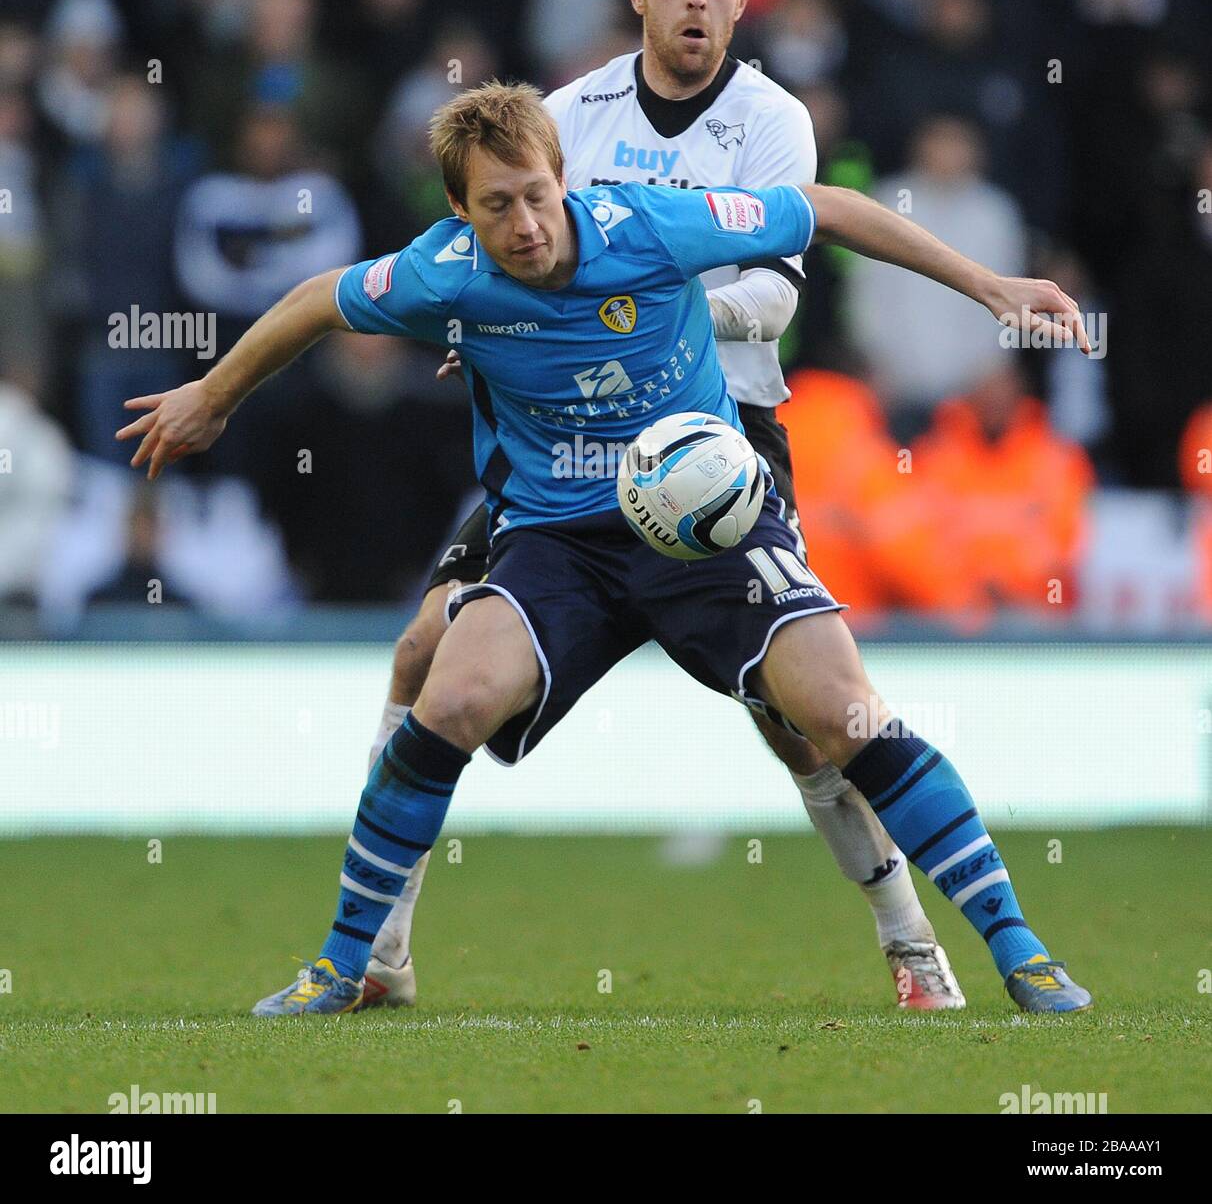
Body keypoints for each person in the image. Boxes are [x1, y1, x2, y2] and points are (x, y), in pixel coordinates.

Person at [116, 80, 1094, 1018]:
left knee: (839, 710)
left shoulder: (650, 227)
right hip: (557, 540)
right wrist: (214, 393)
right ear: (461, 210)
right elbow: (323, 296)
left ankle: (1018, 949)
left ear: (563, 179)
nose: (527, 224)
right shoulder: (443, 272)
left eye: (538, 195)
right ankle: (342, 963)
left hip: (708, 529)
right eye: (497, 206)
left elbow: (825, 208)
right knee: (447, 694)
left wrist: (985, 282)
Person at [365, 0, 966, 1012]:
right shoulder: (562, 115)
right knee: (421, 654)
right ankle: (378, 957)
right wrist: (484, 327)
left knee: (802, 723)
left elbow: (772, 304)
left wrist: (634, 305)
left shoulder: (774, 120)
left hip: (717, 443)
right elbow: (498, 256)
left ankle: (909, 939)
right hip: (566, 447)